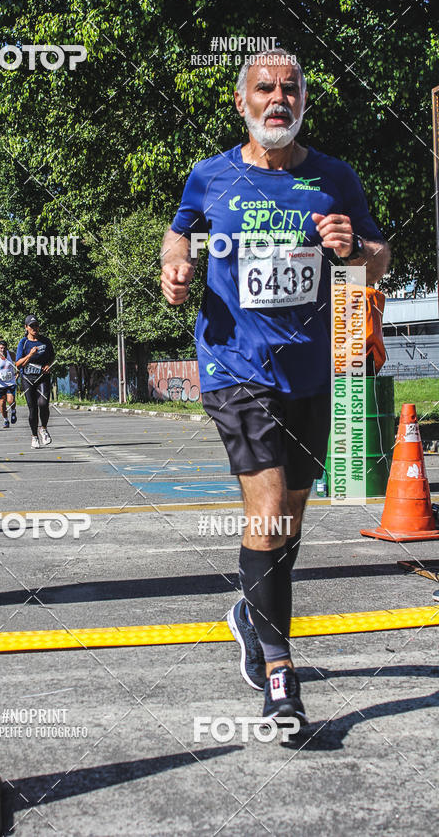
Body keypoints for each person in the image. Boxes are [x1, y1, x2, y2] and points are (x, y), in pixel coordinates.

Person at [160, 49, 390, 728]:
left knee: (286, 521)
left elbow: (380, 257)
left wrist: (354, 250)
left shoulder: (334, 177)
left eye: (290, 89)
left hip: (314, 370)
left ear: (303, 104)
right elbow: (176, 240)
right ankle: (280, 673)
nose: (277, 99)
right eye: (264, 88)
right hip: (236, 367)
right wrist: (175, 273)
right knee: (264, 509)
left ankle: (249, 613)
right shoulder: (211, 177)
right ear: (242, 103)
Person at [15, 315, 55, 448]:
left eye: (36, 325)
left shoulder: (45, 341)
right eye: (31, 326)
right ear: (26, 328)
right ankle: (34, 437)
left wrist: (49, 365)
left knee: (43, 404)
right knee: (32, 409)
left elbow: (52, 357)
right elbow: (18, 364)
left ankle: (43, 428)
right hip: (28, 379)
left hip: (42, 377)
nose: (34, 328)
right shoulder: (23, 343)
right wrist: (30, 355)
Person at [0, 340, 18, 428]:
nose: (3, 350)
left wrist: (18, 372)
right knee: (2, 404)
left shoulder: (11, 354)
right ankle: (5, 420)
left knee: (10, 400)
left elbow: (18, 363)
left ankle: (13, 411)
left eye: (4, 348)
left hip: (10, 382)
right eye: (1, 348)